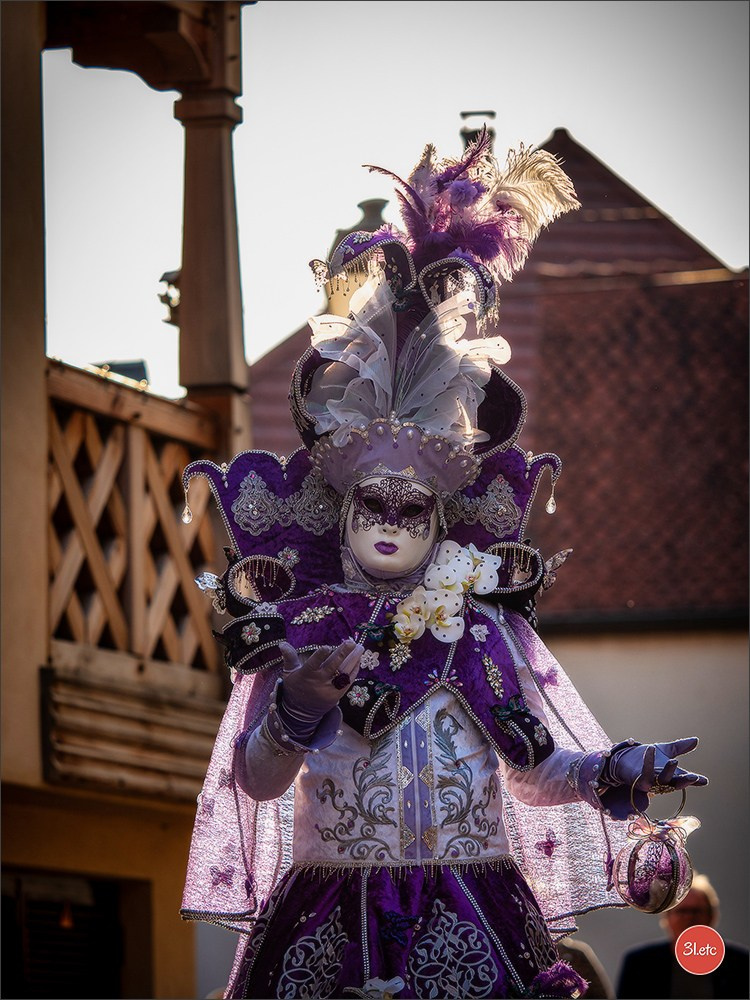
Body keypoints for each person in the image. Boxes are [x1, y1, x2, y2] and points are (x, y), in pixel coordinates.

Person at [180, 131, 708, 999]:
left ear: (442, 518)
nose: (390, 522)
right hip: (331, 915)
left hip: (472, 907)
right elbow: (260, 779)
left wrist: (619, 768)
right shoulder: (305, 628)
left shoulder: (480, 627)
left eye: (410, 507)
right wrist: (301, 706)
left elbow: (535, 771)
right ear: (339, 514)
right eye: (372, 506)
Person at [616, 874, 749, 999]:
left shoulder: (741, 963)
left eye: (696, 911)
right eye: (682, 911)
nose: (689, 918)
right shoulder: (640, 964)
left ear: (712, 916)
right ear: (666, 918)